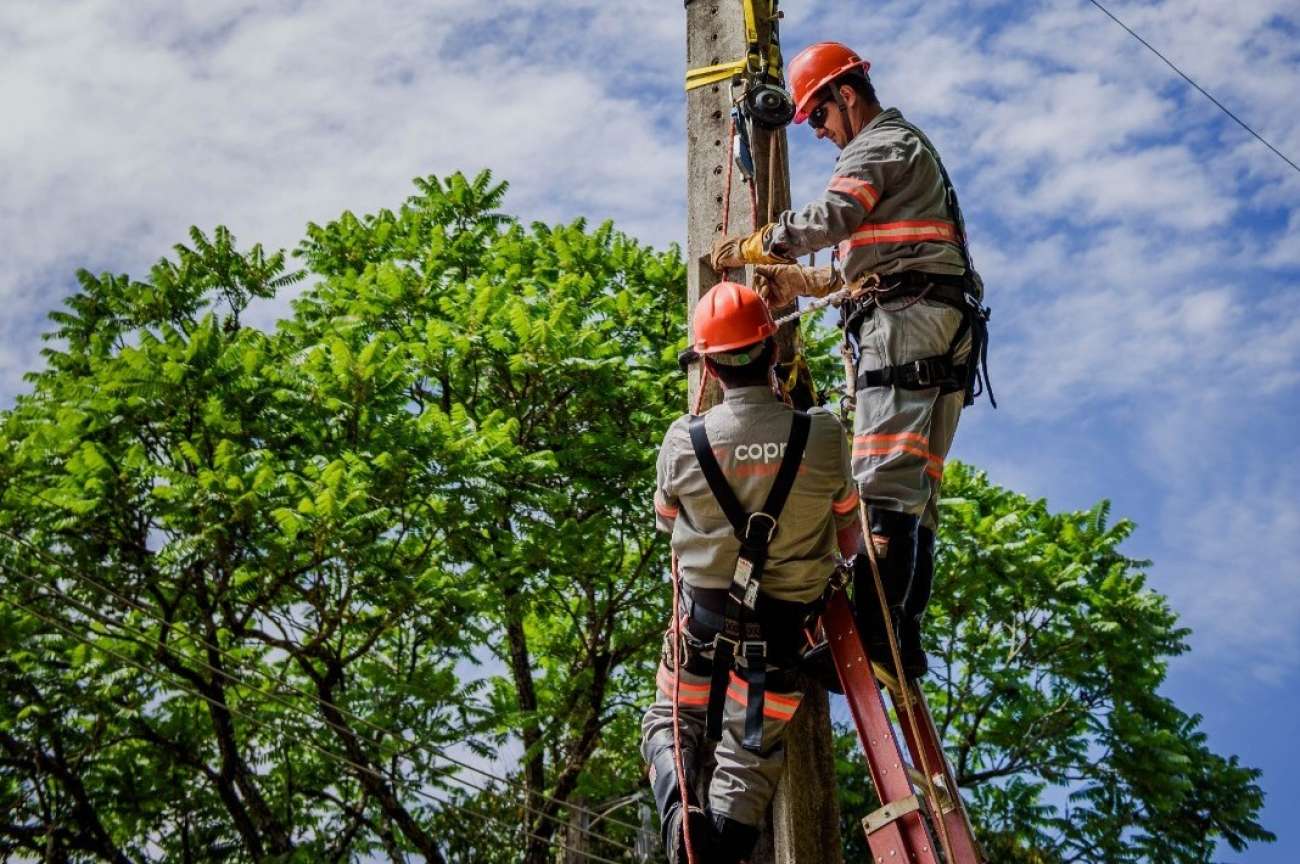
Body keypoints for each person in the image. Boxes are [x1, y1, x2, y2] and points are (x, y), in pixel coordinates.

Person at [710, 41, 993, 678]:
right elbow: (867, 264)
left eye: (817, 115)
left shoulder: (878, 145)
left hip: (906, 328)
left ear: (847, 93)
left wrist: (761, 245)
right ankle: (903, 643)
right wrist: (799, 283)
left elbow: (835, 216)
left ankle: (871, 645)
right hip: (936, 327)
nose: (816, 130)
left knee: (883, 487)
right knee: (913, 492)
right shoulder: (907, 158)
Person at [641, 281, 861, 863]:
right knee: (750, 751)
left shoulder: (682, 443)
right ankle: (724, 848)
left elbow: (667, 523)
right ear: (773, 351)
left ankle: (683, 820)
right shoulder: (823, 436)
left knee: (669, 718)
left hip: (702, 626)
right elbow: (848, 533)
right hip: (781, 635)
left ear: (708, 364)